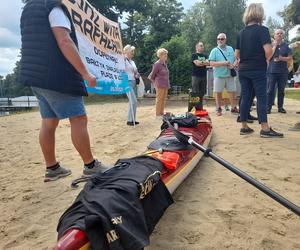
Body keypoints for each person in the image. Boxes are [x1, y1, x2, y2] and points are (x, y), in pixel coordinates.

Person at [19, 0, 106, 182]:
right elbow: (64, 41)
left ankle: (52, 168)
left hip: (35, 76)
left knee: (49, 122)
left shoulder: (29, 8)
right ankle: (91, 166)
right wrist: (86, 74)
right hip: (56, 75)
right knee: (79, 119)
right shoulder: (54, 7)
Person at [235, 3, 283, 137]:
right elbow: (268, 52)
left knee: (245, 97)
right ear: (259, 14)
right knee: (262, 98)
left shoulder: (241, 33)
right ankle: (265, 129)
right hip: (258, 69)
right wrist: (274, 48)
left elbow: (236, 55)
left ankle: (244, 126)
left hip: (243, 69)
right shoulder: (263, 30)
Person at [209, 33, 238, 116]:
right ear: (217, 40)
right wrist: (223, 63)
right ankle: (218, 108)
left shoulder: (230, 48)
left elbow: (236, 59)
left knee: (232, 92)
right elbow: (211, 63)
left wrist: (233, 65)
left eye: (222, 39)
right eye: (219, 39)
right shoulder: (214, 50)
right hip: (219, 75)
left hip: (229, 75)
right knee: (218, 92)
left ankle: (233, 108)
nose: (220, 40)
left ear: (225, 40)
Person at [267, 29, 293, 114]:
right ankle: (268, 107)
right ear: (274, 35)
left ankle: (280, 107)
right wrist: (274, 47)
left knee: (281, 91)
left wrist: (281, 58)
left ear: (283, 36)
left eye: (281, 33)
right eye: (277, 33)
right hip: (272, 71)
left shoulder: (286, 46)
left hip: (283, 72)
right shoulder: (270, 45)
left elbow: (290, 58)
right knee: (270, 90)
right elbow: (267, 57)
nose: (279, 35)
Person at [149, 48, 170, 118]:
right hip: (160, 85)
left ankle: (161, 113)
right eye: (165, 54)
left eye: (166, 54)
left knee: (163, 99)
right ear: (160, 55)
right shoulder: (157, 64)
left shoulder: (164, 64)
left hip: (165, 85)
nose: (166, 56)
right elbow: (152, 76)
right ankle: (158, 114)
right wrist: (155, 84)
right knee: (159, 99)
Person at [124, 45, 140, 126]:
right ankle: (130, 120)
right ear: (126, 51)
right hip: (127, 82)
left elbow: (135, 72)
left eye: (133, 51)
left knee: (134, 102)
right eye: (131, 51)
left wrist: (137, 74)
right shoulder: (123, 60)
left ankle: (132, 119)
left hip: (134, 82)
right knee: (133, 101)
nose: (133, 53)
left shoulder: (132, 62)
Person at [190, 42, 209, 110]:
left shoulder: (205, 55)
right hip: (196, 76)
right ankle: (195, 108)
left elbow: (208, 63)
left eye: (203, 46)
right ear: (197, 47)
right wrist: (203, 63)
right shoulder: (194, 55)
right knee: (195, 92)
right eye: (201, 45)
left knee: (202, 92)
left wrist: (201, 62)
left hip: (203, 76)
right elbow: (197, 64)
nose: (202, 47)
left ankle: (200, 108)